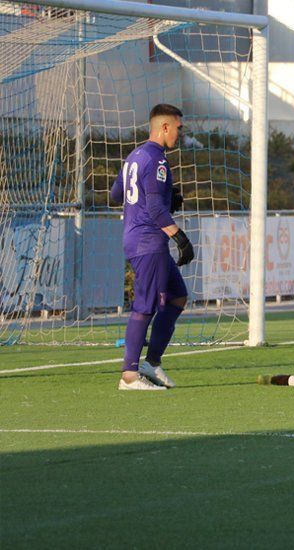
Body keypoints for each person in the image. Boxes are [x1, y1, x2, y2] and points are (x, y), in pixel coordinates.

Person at [110, 103, 193, 391]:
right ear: (165, 127)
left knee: (178, 296)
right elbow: (156, 208)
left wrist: (166, 198)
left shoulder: (134, 156)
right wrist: (179, 237)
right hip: (149, 241)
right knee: (145, 306)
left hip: (139, 237)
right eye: (178, 128)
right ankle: (129, 375)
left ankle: (152, 363)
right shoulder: (156, 160)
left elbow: (115, 195)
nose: (180, 134)